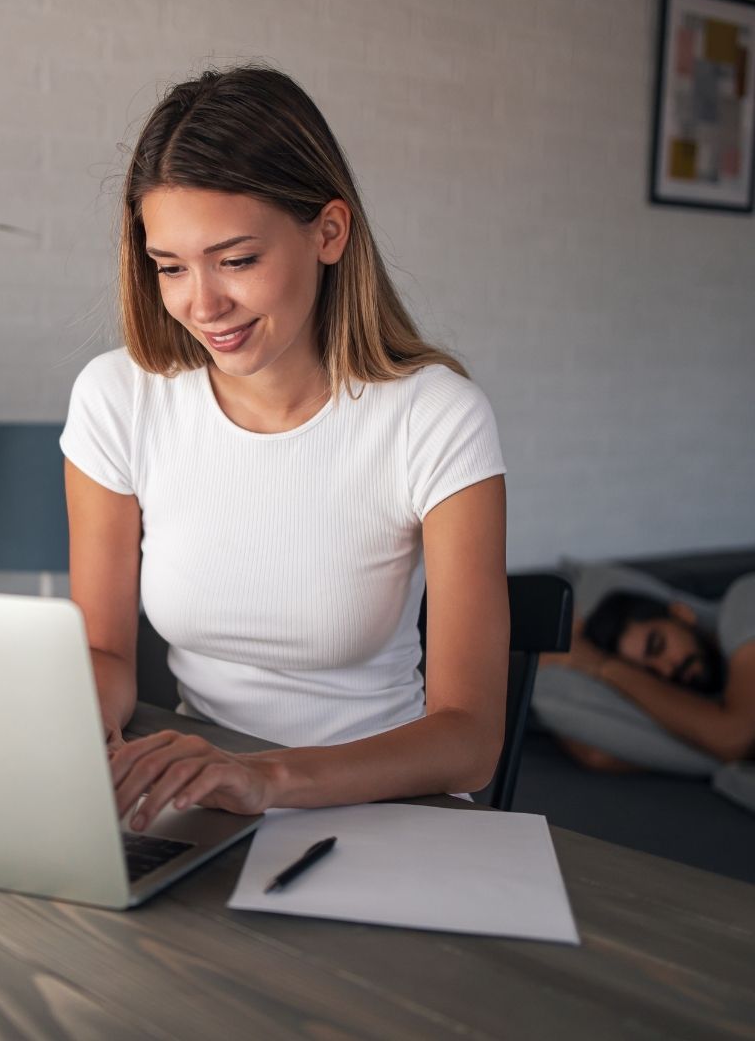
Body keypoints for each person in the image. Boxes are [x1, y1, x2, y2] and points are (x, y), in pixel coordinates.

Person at [60, 65, 508, 834]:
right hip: (206, 803)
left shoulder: (435, 417)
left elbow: (468, 740)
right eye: (170, 267)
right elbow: (103, 655)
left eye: (236, 260)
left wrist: (262, 778)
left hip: (390, 809)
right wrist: (63, 731)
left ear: (328, 232)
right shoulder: (119, 398)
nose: (203, 305)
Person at [535, 567, 755, 772]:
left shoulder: (743, 602)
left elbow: (734, 739)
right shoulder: (710, 708)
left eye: (657, 645)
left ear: (681, 613)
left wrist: (603, 666)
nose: (666, 670)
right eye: (650, 674)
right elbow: (598, 756)